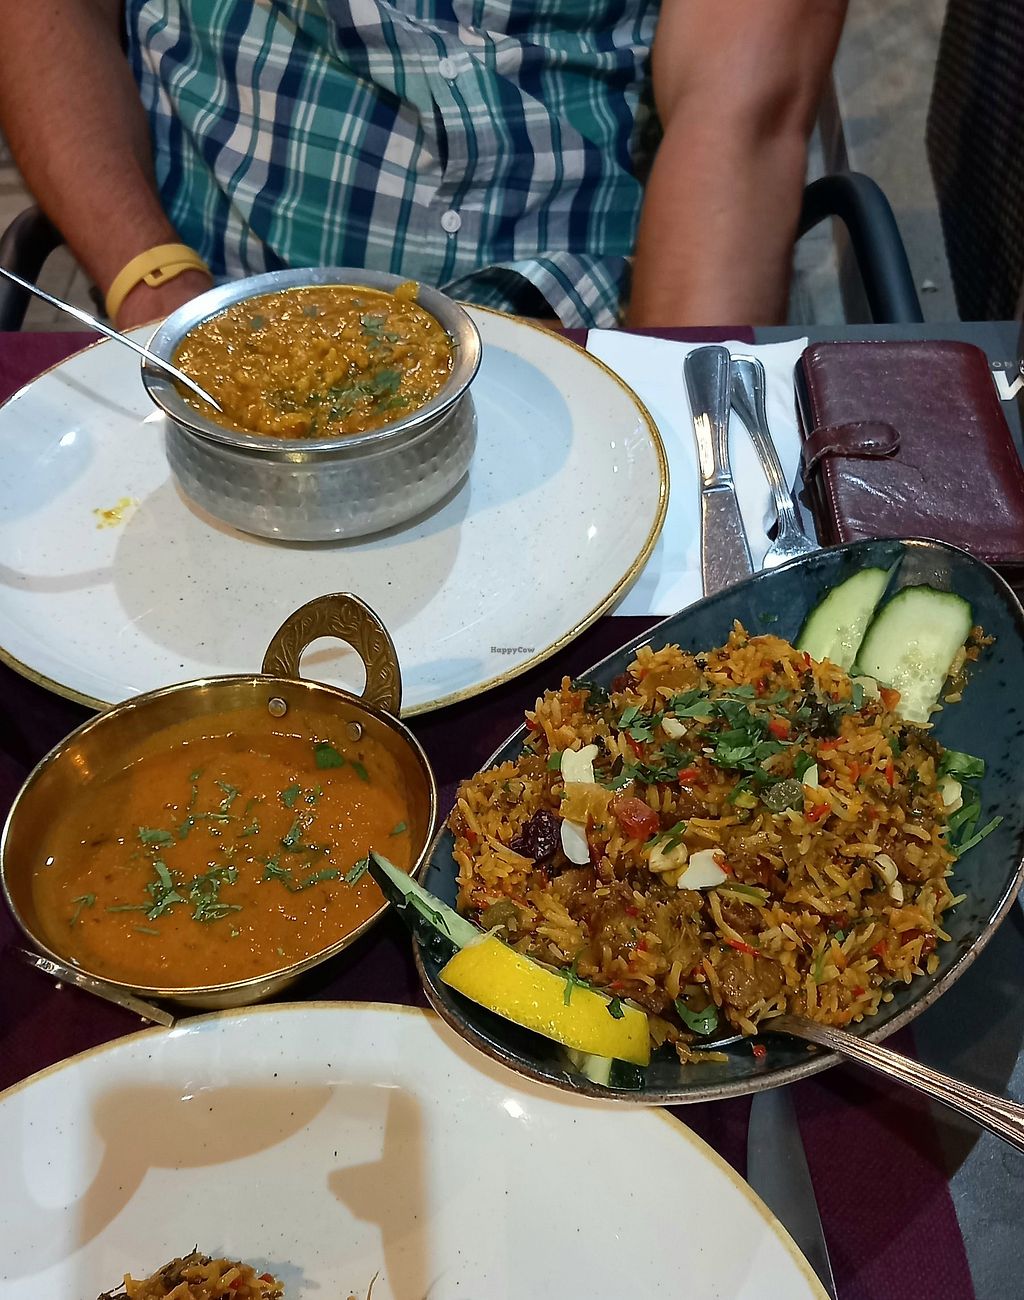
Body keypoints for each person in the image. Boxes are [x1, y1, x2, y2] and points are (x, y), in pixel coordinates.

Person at [0, 1, 847, 331]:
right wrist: (154, 286)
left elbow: (740, 111)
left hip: (598, 313)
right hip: (222, 291)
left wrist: (667, 415)